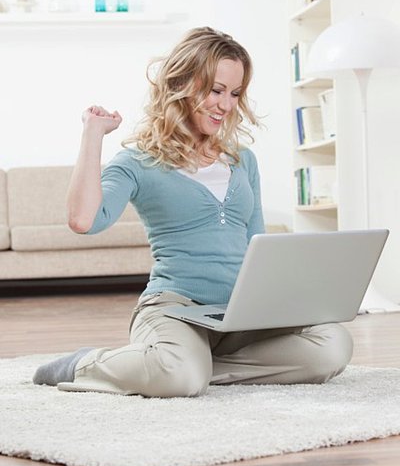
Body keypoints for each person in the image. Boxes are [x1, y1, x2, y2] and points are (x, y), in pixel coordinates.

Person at [33, 27, 353, 396]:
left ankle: (187, 367)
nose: (226, 105)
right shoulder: (138, 161)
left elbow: (257, 244)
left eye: (235, 94)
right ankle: (86, 364)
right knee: (181, 376)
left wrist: (286, 299)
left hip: (241, 313)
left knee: (333, 344)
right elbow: (83, 220)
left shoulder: (242, 160)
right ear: (182, 84)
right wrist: (92, 134)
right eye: (216, 90)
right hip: (173, 308)